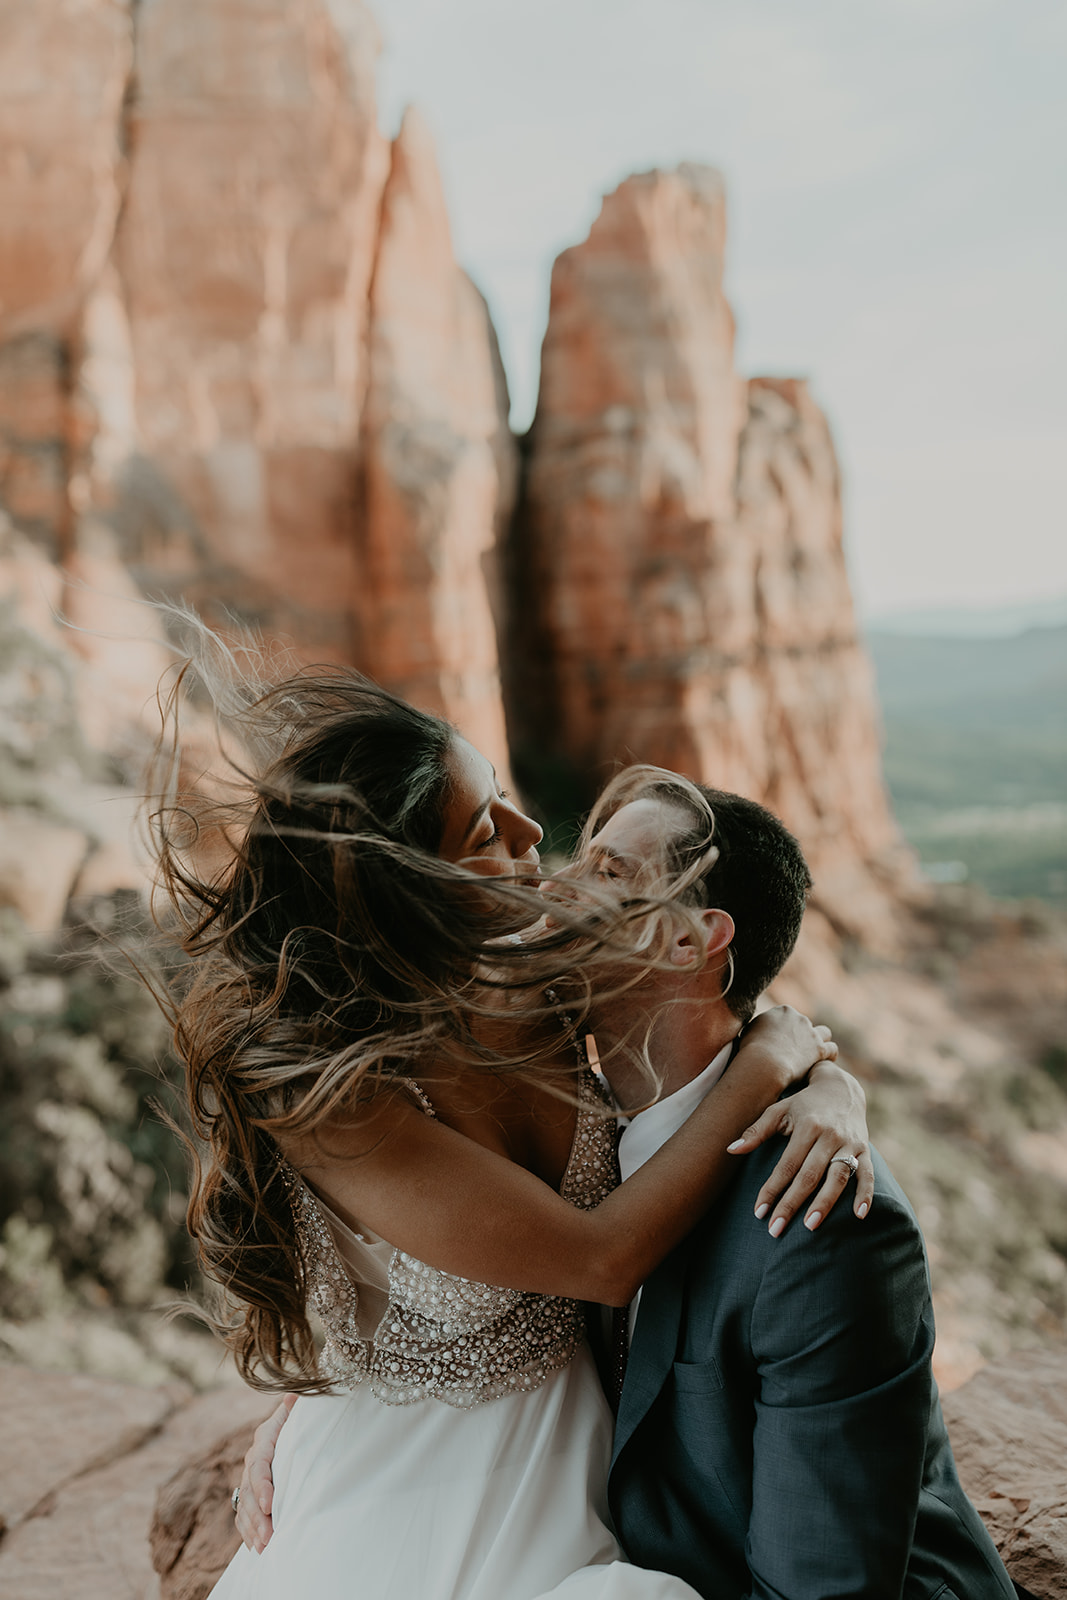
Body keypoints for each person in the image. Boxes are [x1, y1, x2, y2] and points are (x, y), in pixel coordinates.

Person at [152, 641, 871, 1600]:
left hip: (573, 1476)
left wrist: (828, 1086)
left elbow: (692, 1004)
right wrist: (768, 1068)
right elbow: (601, 1261)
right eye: (486, 826)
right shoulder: (327, 1099)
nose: (534, 829)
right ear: (412, 883)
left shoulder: (530, 979)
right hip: (401, 1505)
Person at [241, 767, 1018, 1600]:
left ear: (688, 942)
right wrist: (332, 1406)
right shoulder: (571, 1100)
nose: (553, 878)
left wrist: (813, 1078)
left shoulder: (817, 1223)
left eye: (606, 871)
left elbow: (823, 1587)